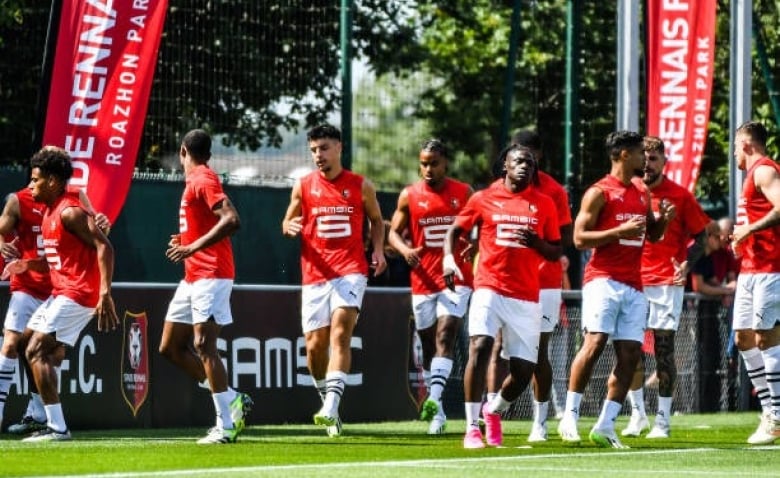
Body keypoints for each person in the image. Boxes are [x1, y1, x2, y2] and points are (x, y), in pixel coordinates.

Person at [557, 131, 672, 448]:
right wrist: (618, 230)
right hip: (603, 279)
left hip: (635, 285)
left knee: (631, 354)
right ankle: (570, 416)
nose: (644, 160)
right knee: (594, 344)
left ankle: (605, 425)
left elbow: (653, 235)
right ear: (623, 155)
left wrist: (662, 222)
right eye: (639, 153)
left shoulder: (641, 191)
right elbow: (579, 239)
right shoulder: (599, 192)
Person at [443, 144, 561, 449]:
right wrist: (448, 257)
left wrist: (537, 243)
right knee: (480, 346)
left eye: (530, 164)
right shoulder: (483, 198)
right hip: (489, 286)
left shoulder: (545, 203)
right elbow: (456, 229)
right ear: (505, 166)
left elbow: (556, 251)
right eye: (518, 161)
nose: (525, 167)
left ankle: (493, 411)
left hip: (525, 294)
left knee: (523, 371)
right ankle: (471, 428)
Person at [282, 124, 387, 437]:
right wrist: (288, 226)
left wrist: (378, 251)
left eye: (324, 148)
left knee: (341, 333)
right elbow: (288, 219)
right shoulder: (302, 186)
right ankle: (329, 401)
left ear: (339, 148)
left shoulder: (360, 185)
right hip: (314, 275)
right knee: (314, 348)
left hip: (351, 270)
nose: (319, 155)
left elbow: (377, 220)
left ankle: (329, 408)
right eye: (314, 150)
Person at [9, 146, 118, 441]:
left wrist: (105, 293)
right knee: (23, 345)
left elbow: (104, 246)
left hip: (79, 293)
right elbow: (56, 260)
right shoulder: (49, 213)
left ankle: (58, 428)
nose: (30, 186)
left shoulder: (70, 211)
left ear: (54, 181)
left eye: (35, 180)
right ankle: (43, 416)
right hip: (61, 293)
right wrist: (25, 264)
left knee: (36, 351)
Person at [158, 129, 252, 444]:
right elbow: (207, 224)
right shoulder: (195, 182)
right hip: (193, 277)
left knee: (203, 345)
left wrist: (191, 246)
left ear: (183, 151)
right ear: (207, 154)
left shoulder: (203, 179)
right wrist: (185, 241)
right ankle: (232, 398)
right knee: (170, 347)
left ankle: (224, 425)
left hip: (211, 273)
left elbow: (232, 220)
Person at [483, 130, 573, 443]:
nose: (525, 161)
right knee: (493, 347)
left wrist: (552, 255)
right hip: (503, 283)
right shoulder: (494, 191)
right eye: (519, 155)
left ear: (539, 157)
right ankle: (490, 406)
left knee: (539, 353)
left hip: (543, 283)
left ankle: (540, 422)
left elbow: (562, 240)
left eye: (530, 155)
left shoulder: (553, 192)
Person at [622, 136, 711, 439]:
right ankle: (637, 415)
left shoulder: (680, 195)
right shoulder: (628, 191)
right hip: (630, 280)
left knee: (664, 351)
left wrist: (686, 265)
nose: (647, 164)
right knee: (628, 350)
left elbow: (702, 236)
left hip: (664, 283)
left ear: (664, 162)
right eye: (642, 157)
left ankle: (663, 419)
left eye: (654, 159)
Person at [387, 139, 474, 435]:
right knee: (426, 345)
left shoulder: (463, 193)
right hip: (422, 279)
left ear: (445, 163)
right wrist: (404, 250)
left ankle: (435, 406)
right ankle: (432, 397)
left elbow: (481, 227)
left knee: (446, 335)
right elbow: (393, 234)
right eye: (423, 163)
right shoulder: (409, 195)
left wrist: (473, 246)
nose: (428, 168)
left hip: (456, 277)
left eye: (434, 163)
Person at [729, 121, 780, 444]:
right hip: (750, 269)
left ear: (746, 145)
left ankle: (777, 414)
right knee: (743, 337)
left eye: (735, 147)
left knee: (765, 337)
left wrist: (749, 230)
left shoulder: (764, 170)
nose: (734, 154)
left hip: (771, 268)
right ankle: (769, 411)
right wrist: (741, 236)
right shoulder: (750, 177)